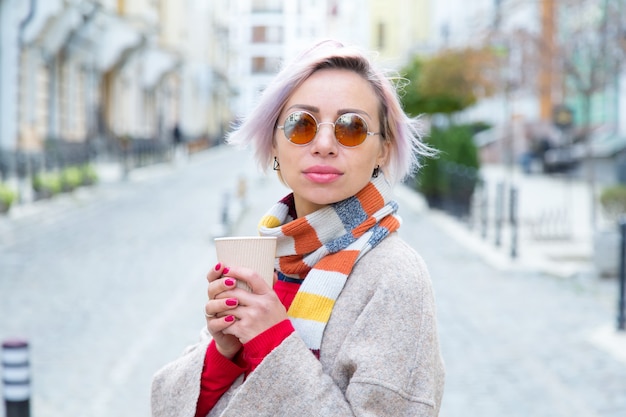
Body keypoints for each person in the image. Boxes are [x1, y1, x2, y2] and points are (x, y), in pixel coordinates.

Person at [151, 39, 445, 417]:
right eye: (301, 124)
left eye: (351, 127)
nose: (324, 144)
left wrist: (272, 342)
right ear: (274, 143)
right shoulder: (268, 256)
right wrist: (223, 353)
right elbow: (168, 404)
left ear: (383, 150)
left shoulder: (395, 277)